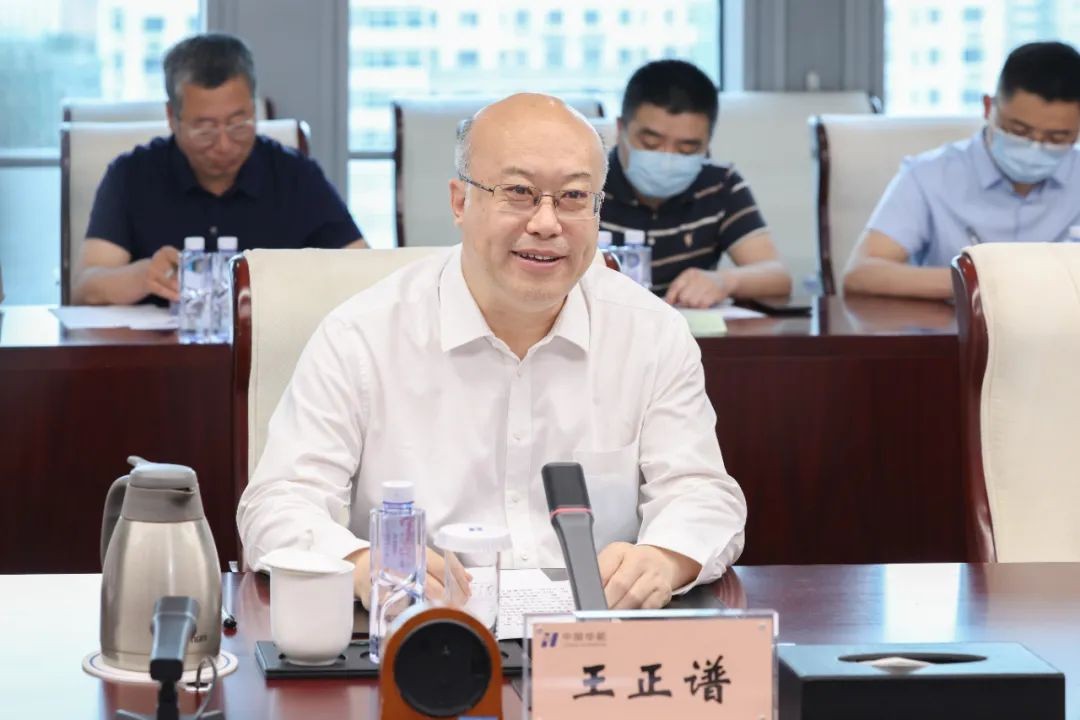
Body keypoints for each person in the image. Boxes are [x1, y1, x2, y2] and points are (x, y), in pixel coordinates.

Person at [237, 93, 746, 610]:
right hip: (418, 629)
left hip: (594, 635)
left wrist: (664, 557)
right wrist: (363, 564)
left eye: (574, 197)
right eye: (519, 192)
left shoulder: (651, 334)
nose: (546, 223)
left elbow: (702, 494)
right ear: (460, 202)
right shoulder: (361, 336)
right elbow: (277, 503)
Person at [72, 33, 365, 306]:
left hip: (273, 342)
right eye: (205, 129)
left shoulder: (296, 176)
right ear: (172, 117)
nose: (224, 145)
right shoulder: (131, 176)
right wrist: (142, 276)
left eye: (238, 124)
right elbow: (85, 289)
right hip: (158, 344)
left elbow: (363, 273)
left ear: (253, 109)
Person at [843, 41, 1080, 300]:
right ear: (988, 107)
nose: (1035, 147)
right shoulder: (928, 175)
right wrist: (983, 281)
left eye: (1057, 138)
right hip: (955, 323)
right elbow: (861, 273)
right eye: (1019, 131)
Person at [601, 59, 792, 308]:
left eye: (687, 148)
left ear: (707, 145)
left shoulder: (719, 185)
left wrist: (725, 281)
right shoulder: (585, 184)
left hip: (687, 328)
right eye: (651, 143)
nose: (667, 158)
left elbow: (778, 277)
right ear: (620, 129)